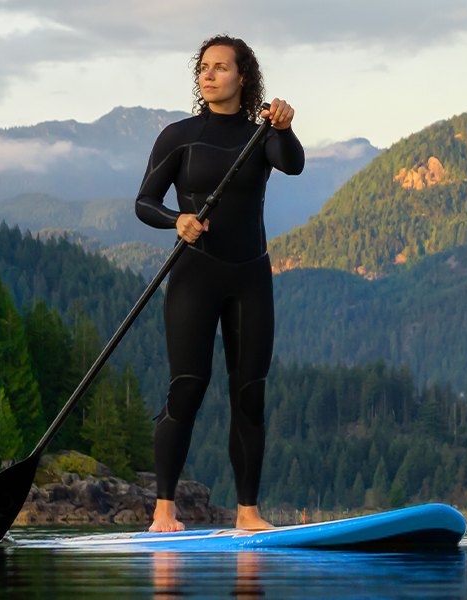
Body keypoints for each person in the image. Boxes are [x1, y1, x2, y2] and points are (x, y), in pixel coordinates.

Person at [135, 35, 305, 532]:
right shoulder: (178, 135)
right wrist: (177, 221)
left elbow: (291, 163)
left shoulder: (262, 136)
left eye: (220, 68)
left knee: (249, 393)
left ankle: (248, 514)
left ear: (243, 77)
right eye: (203, 68)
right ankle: (164, 512)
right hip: (195, 275)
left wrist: (286, 128)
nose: (208, 76)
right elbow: (144, 202)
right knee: (187, 388)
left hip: (251, 277)